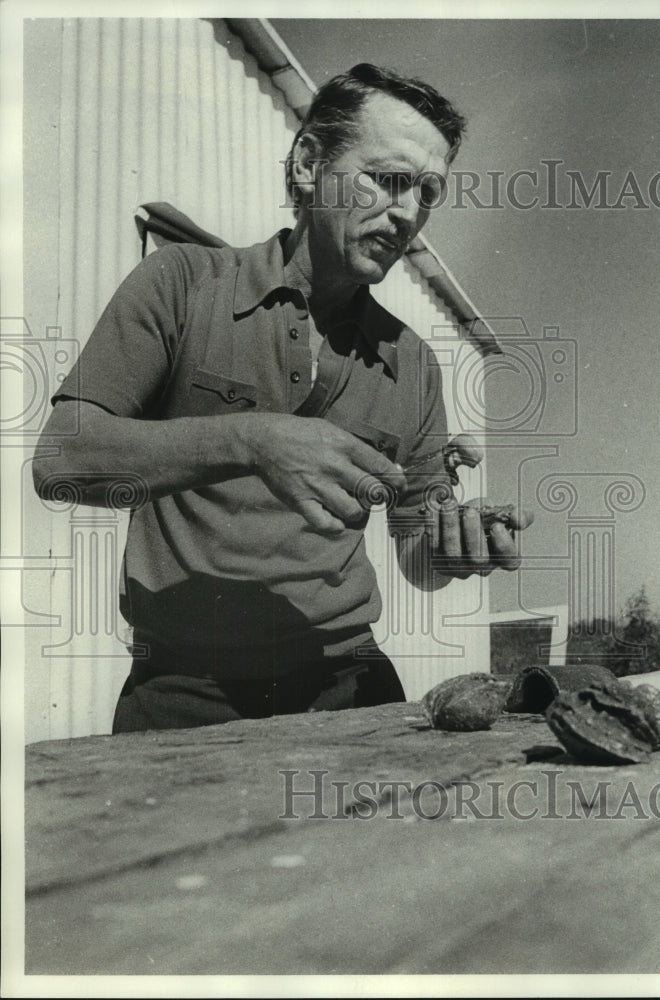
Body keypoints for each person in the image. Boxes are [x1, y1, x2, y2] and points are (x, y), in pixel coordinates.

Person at [32, 63, 533, 732]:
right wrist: (254, 439)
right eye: (387, 179)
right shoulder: (181, 283)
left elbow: (418, 556)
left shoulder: (412, 363)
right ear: (307, 163)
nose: (410, 212)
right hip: (182, 692)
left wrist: (454, 546)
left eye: (429, 192)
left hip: (349, 682)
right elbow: (61, 459)